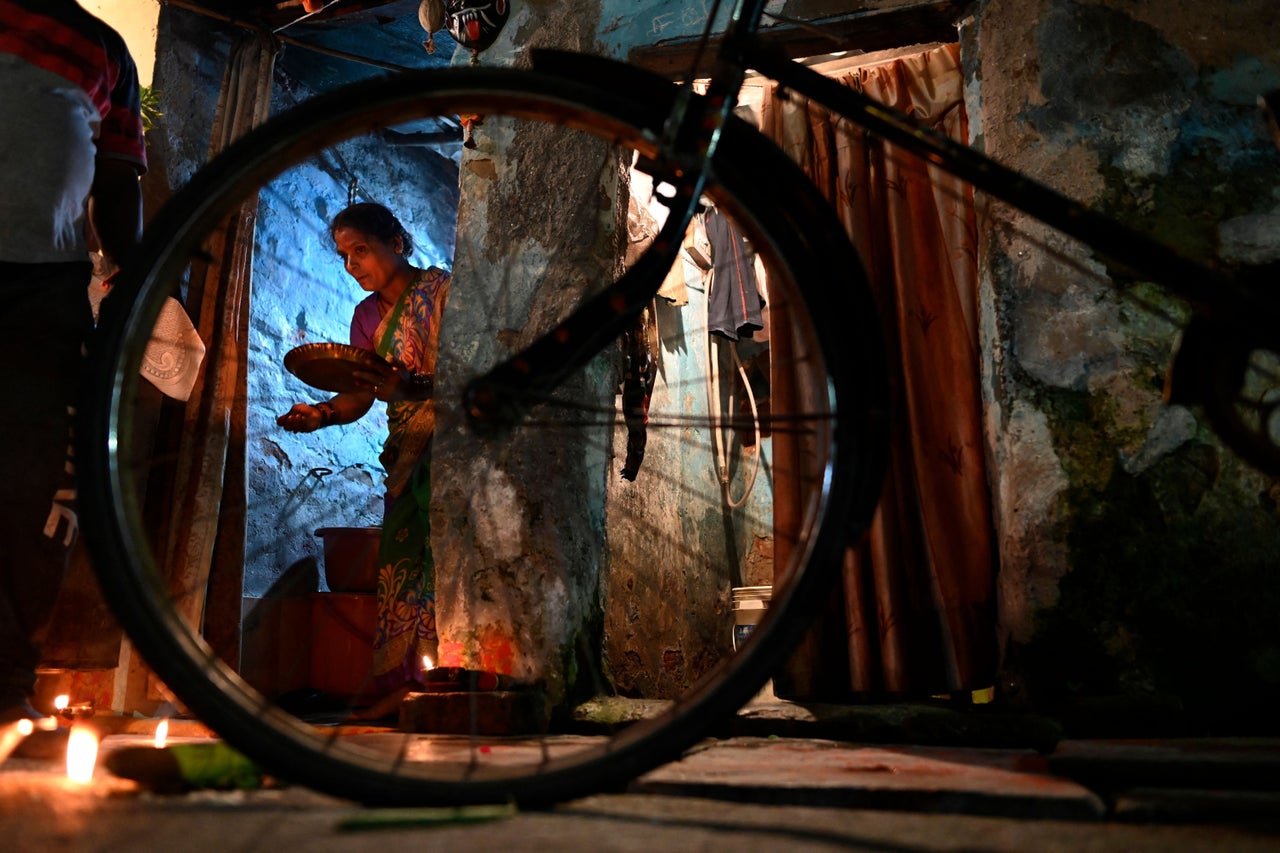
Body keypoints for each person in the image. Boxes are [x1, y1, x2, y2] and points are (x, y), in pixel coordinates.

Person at [0, 0, 147, 726]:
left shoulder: (107, 51)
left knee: (28, 489)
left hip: (42, 290)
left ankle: (4, 679)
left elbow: (117, 182)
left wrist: (137, 280)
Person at [278, 203, 450, 718]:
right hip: (406, 457)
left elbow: (473, 369)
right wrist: (321, 415)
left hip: (453, 448)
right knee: (401, 568)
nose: (353, 265)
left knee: (446, 566)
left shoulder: (444, 293)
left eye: (361, 250)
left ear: (395, 242)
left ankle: (447, 678)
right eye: (344, 256)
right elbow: (360, 396)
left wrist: (413, 385)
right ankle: (400, 681)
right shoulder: (367, 317)